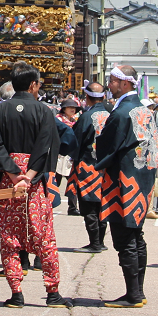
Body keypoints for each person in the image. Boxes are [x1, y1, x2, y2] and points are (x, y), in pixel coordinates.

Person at [0, 61, 71, 309]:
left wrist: (13, 172)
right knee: (44, 236)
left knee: (8, 237)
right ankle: (52, 293)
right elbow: (46, 145)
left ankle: (16, 293)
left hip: (8, 180)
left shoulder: (1, 110)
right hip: (34, 181)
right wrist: (29, 174)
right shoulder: (44, 111)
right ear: (32, 84)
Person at [96, 65, 158, 308]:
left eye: (111, 81)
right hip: (142, 182)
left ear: (124, 83)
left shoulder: (122, 113)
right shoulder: (144, 110)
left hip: (123, 182)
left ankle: (133, 294)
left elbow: (106, 146)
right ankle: (137, 292)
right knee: (136, 235)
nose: (108, 86)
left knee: (124, 237)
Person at [64, 81, 111, 254]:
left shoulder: (86, 117)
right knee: (102, 204)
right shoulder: (110, 114)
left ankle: (95, 242)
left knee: (89, 205)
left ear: (88, 97)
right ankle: (100, 240)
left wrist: (70, 155)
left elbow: (75, 140)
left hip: (88, 167)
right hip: (106, 168)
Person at [56, 98, 80, 216]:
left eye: (74, 107)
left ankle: (72, 207)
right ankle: (49, 203)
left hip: (71, 155)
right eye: (70, 107)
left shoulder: (75, 120)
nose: (72, 109)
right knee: (56, 181)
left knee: (72, 181)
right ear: (64, 108)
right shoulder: (58, 120)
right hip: (59, 154)